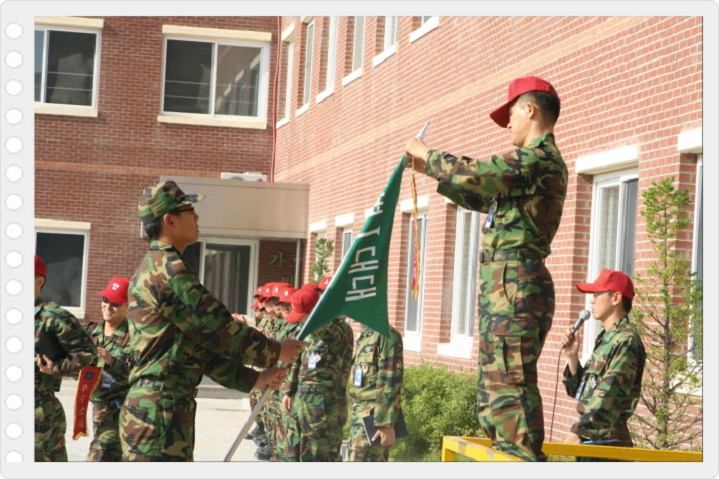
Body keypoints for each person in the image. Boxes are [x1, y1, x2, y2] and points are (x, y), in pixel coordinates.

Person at [405, 75, 567, 461]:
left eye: (510, 114)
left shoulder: (537, 159)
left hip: (515, 282)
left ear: (529, 109)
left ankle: (521, 459)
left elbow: (477, 173)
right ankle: (506, 452)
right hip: (504, 286)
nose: (508, 124)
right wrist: (429, 170)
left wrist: (428, 155)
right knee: (494, 386)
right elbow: (479, 194)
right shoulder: (523, 173)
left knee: (509, 381)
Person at [121, 180, 303, 461]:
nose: (196, 217)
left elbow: (200, 349)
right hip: (159, 410)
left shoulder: (157, 267)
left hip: (161, 407)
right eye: (189, 210)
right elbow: (220, 329)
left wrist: (255, 378)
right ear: (169, 220)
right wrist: (276, 351)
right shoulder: (170, 272)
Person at [561, 269, 646, 455]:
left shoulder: (625, 340)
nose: (592, 299)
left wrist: (579, 431)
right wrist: (572, 358)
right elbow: (579, 392)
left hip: (608, 443)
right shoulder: (607, 339)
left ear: (616, 298)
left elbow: (610, 394)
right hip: (592, 440)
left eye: (597, 293)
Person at [34, 254, 97, 461]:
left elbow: (87, 353)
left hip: (39, 417)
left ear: (39, 280)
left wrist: (56, 368)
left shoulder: (53, 318)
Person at [64, 276, 135, 461]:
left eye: (115, 304)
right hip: (98, 412)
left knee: (97, 459)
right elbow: (78, 373)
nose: (108, 307)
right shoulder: (91, 333)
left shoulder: (134, 337)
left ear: (127, 306)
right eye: (105, 300)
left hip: (121, 414)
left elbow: (137, 375)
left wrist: (111, 361)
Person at [282, 285, 354, 461]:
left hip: (324, 406)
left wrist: (315, 314)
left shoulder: (339, 331)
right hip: (301, 401)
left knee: (317, 457)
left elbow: (327, 331)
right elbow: (297, 362)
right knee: (293, 453)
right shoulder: (308, 332)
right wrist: (289, 391)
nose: (301, 321)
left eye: (304, 316)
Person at [347, 325, 404, 462]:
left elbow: (389, 382)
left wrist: (386, 424)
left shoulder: (386, 335)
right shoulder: (365, 335)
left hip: (374, 417)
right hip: (359, 415)